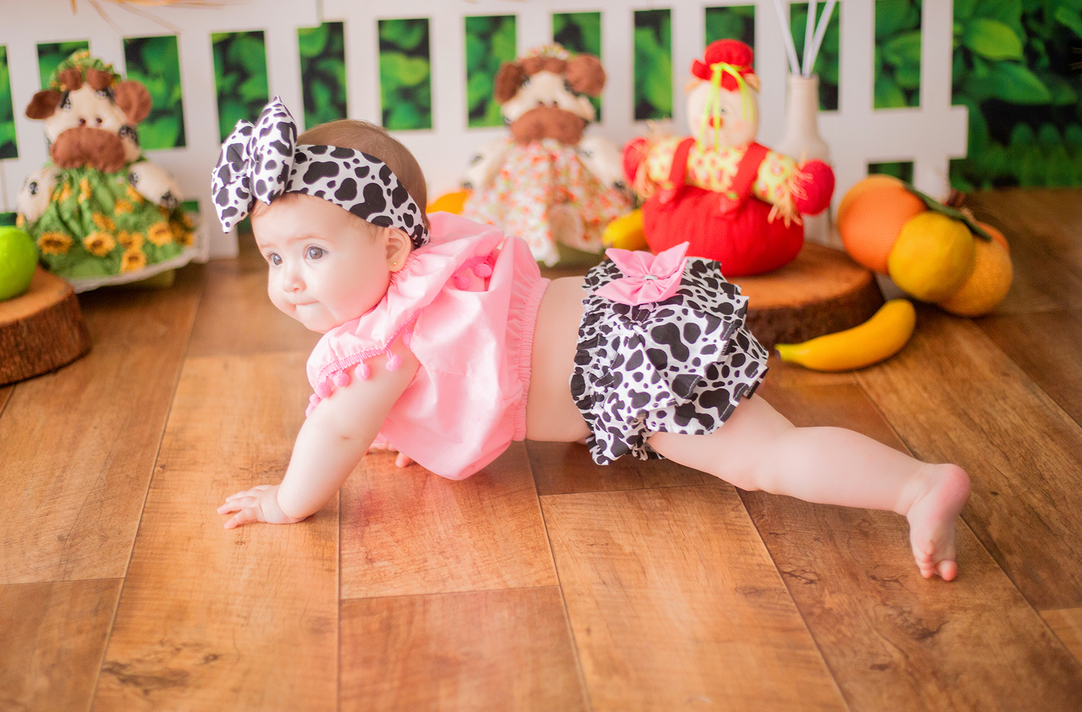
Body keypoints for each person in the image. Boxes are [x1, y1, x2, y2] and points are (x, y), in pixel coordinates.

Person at [211, 99, 971, 582]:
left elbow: (338, 430)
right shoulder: (430, 263)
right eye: (274, 258)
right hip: (624, 314)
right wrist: (409, 429)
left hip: (630, 362)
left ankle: (915, 487)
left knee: (767, 458)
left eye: (313, 253)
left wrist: (285, 501)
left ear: (390, 248)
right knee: (762, 446)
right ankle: (911, 485)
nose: (291, 280)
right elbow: (427, 392)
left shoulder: (387, 341)